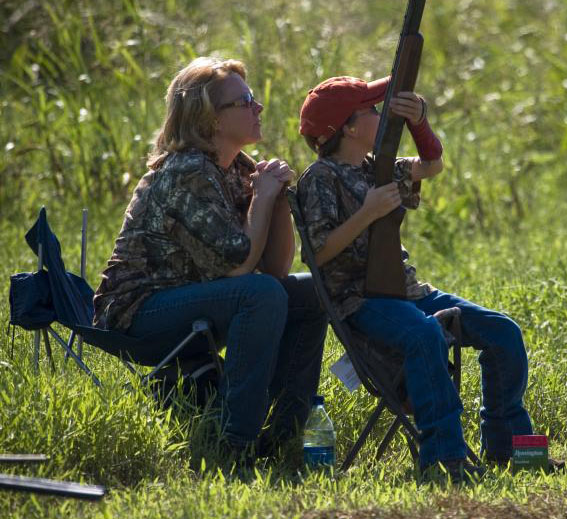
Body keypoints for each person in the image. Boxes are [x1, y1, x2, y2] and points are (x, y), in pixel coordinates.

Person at [295, 76, 538, 480]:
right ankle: (444, 460)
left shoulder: (379, 167)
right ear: (349, 128)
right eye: (372, 110)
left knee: (503, 332)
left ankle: (510, 448)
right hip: (362, 301)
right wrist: (367, 213)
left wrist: (418, 122)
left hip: (408, 293)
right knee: (424, 335)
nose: (382, 113)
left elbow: (433, 165)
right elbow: (318, 253)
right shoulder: (320, 178)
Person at [93, 57, 328, 461]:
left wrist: (278, 202)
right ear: (212, 119)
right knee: (260, 294)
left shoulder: (238, 168)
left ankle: (285, 435)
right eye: (245, 101)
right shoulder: (186, 172)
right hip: (138, 313)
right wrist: (264, 197)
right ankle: (236, 443)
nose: (258, 108)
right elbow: (236, 266)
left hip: (196, 301)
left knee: (309, 292)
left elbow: (275, 269)